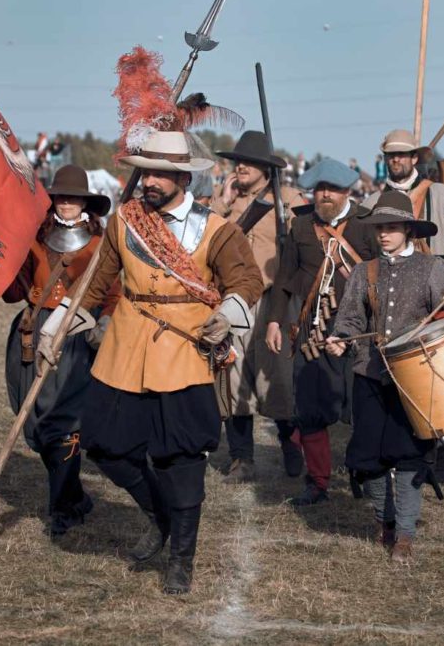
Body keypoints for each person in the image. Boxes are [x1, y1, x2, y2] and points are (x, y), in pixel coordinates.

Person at [44, 131, 263, 594]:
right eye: (145, 171)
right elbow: (98, 281)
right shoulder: (125, 222)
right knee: (105, 445)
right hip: (126, 343)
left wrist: (228, 313)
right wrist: (55, 327)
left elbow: (246, 279)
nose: (149, 181)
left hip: (185, 348)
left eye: (161, 173)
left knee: (181, 458)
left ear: (183, 178)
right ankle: (160, 516)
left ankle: (182, 559)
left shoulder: (215, 228)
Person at [327, 191, 444, 562]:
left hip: (416, 377)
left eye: (390, 228)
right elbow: (351, 319)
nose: (383, 235)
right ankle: (383, 519)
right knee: (368, 455)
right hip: (370, 373)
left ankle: (404, 534)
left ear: (407, 229)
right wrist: (341, 339)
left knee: (408, 455)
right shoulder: (363, 271)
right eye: (379, 229)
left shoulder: (432, 268)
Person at [2, 164, 116, 537]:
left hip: (74, 339)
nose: (66, 202)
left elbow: (112, 295)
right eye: (61, 196)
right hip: (31, 337)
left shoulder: (101, 247)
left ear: (85, 202)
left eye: (73, 196)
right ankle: (76, 497)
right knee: (34, 423)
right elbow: (13, 293)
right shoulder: (35, 239)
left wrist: (104, 324)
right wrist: (8, 255)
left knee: (63, 424)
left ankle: (62, 508)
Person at [267, 158, 379, 505]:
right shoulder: (301, 227)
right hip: (312, 331)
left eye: (332, 188)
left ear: (348, 190)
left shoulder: (367, 225)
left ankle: (366, 471)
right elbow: (284, 279)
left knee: (363, 407)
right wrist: (274, 321)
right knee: (311, 410)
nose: (325, 195)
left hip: (358, 332)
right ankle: (317, 482)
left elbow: (381, 280)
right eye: (320, 189)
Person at [211, 131, 306, 483]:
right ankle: (241, 459)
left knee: (278, 381)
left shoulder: (289, 198)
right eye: (239, 162)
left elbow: (306, 241)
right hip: (233, 299)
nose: (242, 168)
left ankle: (290, 447)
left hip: (272, 301)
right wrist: (222, 201)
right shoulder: (224, 201)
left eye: (250, 162)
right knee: (233, 377)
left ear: (266, 168)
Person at [363, 129, 444, 262]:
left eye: (401, 154)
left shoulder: (442, 194)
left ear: (414, 158)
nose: (395, 159)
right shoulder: (370, 203)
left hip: (436, 277)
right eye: (391, 155)